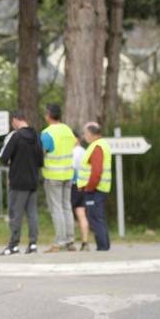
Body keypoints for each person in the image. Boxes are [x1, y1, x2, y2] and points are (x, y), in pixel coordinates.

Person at [0, 110, 44, 255]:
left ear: (15, 120)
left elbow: (4, 157)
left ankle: (13, 245)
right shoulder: (36, 136)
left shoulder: (16, 136)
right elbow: (40, 161)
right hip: (32, 180)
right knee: (32, 214)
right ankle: (33, 244)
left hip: (17, 181)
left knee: (15, 214)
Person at [40, 102, 77, 251]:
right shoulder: (68, 130)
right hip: (68, 173)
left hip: (53, 175)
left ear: (48, 115)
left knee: (56, 209)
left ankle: (60, 241)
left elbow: (41, 153)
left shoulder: (47, 133)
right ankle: (70, 241)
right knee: (67, 207)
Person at [78, 122, 112, 250]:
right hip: (100, 188)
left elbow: (96, 171)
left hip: (95, 189)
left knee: (95, 219)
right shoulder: (101, 144)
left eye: (85, 133)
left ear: (91, 133)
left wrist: (89, 187)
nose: (84, 136)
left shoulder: (96, 147)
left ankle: (102, 247)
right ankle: (104, 246)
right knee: (98, 218)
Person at [71, 131, 91, 251]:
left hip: (75, 185)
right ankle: (85, 242)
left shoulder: (74, 152)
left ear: (77, 139)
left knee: (68, 213)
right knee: (81, 214)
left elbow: (72, 168)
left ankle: (70, 242)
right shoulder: (84, 151)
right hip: (84, 185)